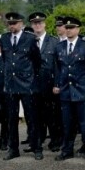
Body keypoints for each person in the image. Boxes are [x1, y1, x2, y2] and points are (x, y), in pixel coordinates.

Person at [53, 17, 85, 163]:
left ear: (78, 29)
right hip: (66, 91)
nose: (69, 30)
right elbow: (58, 68)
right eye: (67, 27)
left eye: (72, 27)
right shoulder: (59, 47)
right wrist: (57, 84)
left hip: (82, 90)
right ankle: (67, 150)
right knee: (67, 123)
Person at [0, 12, 42, 160]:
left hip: (27, 84)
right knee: (11, 119)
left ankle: (37, 147)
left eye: (14, 23)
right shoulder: (4, 39)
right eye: (9, 24)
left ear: (21, 23)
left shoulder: (30, 39)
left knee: (32, 118)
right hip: (11, 85)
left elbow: (37, 61)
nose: (11, 26)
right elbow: (6, 60)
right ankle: (13, 149)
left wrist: (31, 79)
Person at [29, 12, 61, 152]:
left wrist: (57, 84)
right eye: (35, 23)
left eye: (40, 22)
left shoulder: (54, 42)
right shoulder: (28, 41)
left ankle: (55, 141)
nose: (37, 25)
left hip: (49, 84)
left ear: (45, 24)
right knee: (35, 116)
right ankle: (37, 142)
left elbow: (58, 65)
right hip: (32, 84)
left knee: (51, 116)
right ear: (31, 25)